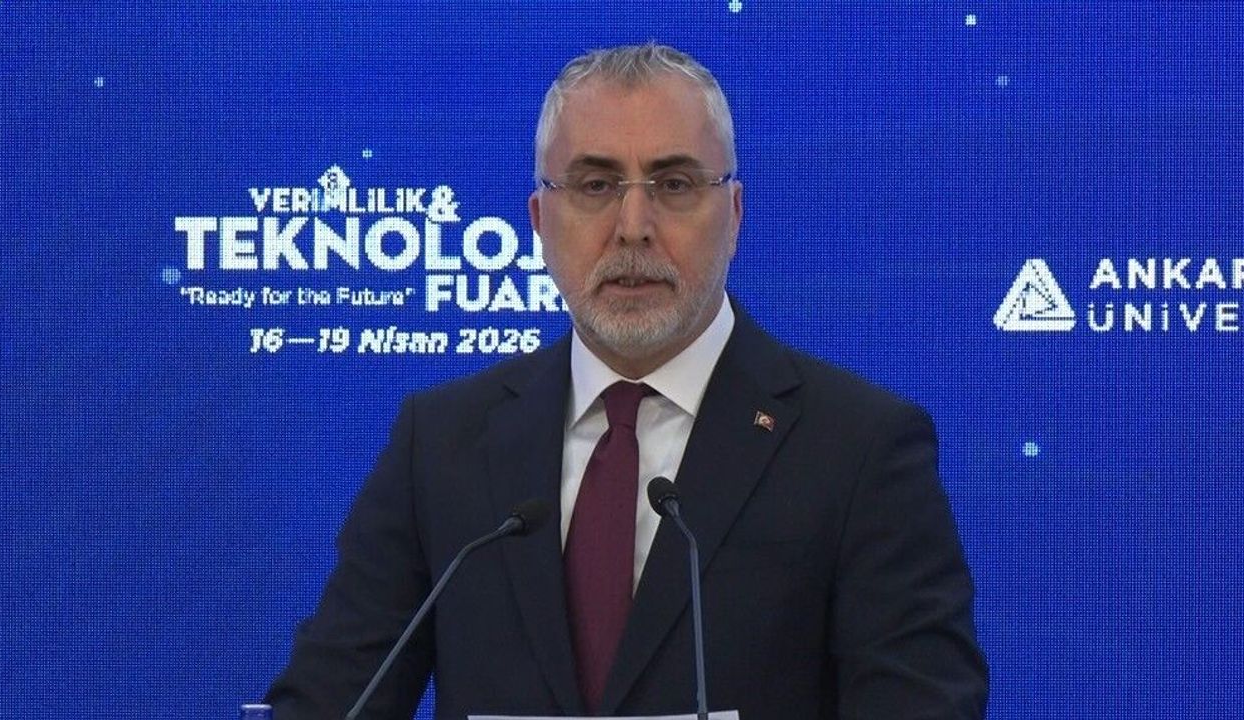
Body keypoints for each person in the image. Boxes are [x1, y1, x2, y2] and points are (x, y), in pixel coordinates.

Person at [266, 43, 988, 719]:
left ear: (734, 215)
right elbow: (328, 701)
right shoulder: (442, 442)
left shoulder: (858, 447)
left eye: (674, 184)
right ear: (539, 221)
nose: (633, 225)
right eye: (595, 185)